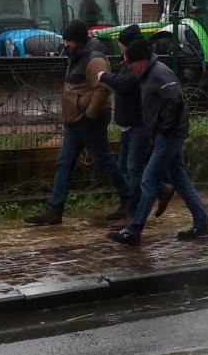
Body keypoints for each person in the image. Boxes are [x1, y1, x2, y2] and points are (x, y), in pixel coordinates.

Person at [24, 21, 130, 226]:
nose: (66, 44)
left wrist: (89, 115)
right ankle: (54, 209)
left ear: (79, 41)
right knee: (65, 162)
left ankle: (129, 200)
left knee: (104, 160)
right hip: (75, 120)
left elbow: (102, 89)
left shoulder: (94, 59)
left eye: (69, 40)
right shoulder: (78, 54)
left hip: (88, 119)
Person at [108, 40, 208, 244]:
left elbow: (175, 100)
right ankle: (202, 223)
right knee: (179, 179)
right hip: (164, 133)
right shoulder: (147, 73)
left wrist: (163, 129)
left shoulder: (159, 73)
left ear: (142, 60)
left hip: (170, 134)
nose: (128, 66)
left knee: (148, 179)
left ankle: (134, 230)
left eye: (130, 62)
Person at [97, 24, 146, 222]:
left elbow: (126, 84)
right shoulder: (128, 62)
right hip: (128, 123)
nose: (120, 49)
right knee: (125, 166)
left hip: (137, 123)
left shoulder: (137, 64)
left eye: (121, 46)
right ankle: (155, 192)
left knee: (133, 167)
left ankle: (133, 208)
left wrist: (105, 77)